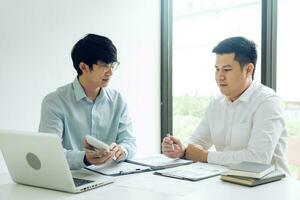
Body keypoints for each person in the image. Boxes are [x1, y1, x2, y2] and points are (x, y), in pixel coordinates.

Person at [162, 36, 289, 174]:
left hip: (270, 188)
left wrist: (206, 156)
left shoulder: (268, 102)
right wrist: (182, 150)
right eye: (217, 69)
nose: (219, 76)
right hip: (228, 182)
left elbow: (257, 159)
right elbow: (197, 143)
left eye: (227, 70)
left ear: (248, 70)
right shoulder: (217, 103)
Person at [39, 34, 136, 170]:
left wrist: (123, 150)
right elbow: (49, 152)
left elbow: (129, 141)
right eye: (104, 65)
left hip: (111, 179)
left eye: (112, 65)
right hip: (71, 180)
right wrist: (84, 159)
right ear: (84, 67)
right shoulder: (55, 102)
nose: (110, 72)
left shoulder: (117, 101)